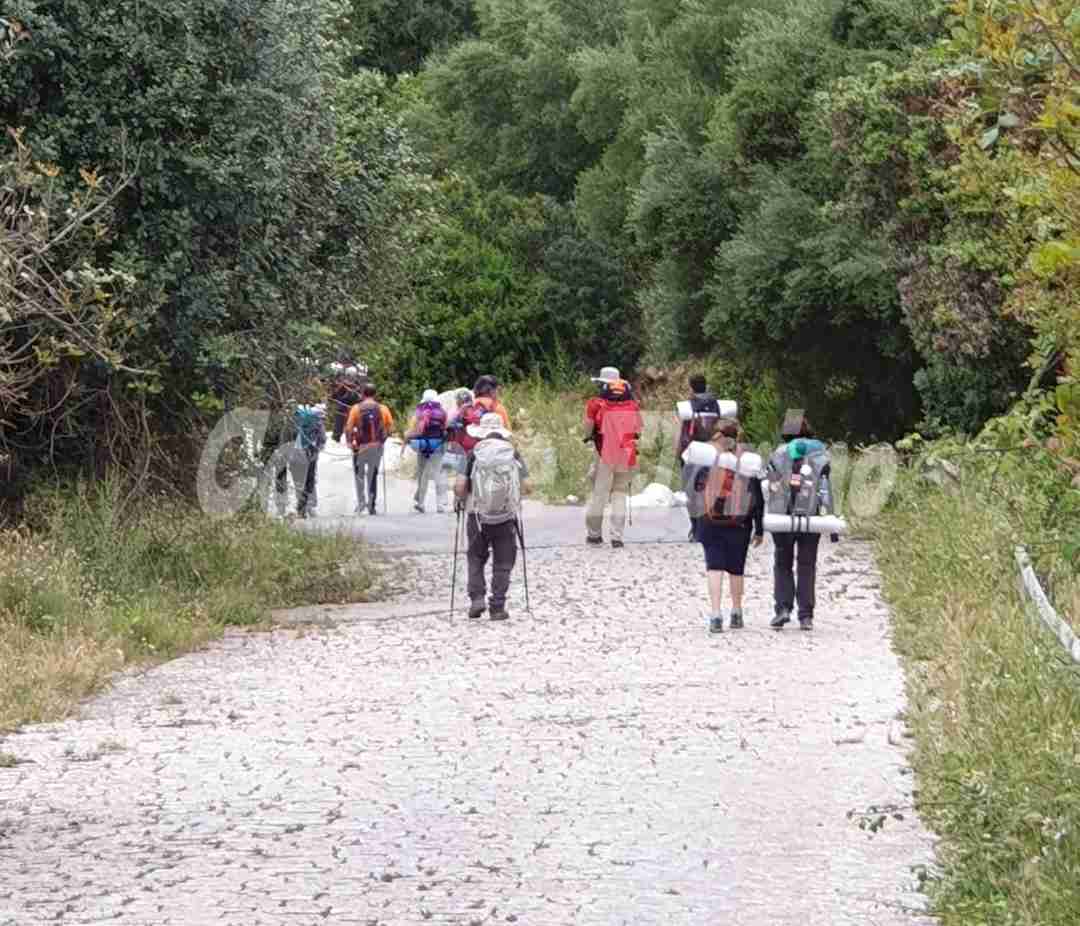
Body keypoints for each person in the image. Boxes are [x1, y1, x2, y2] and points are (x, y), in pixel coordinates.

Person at [453, 412, 531, 621]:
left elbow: (460, 487)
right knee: (504, 561)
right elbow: (528, 486)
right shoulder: (512, 454)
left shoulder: (472, 454)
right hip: (506, 516)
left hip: (477, 515)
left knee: (476, 556)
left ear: (481, 433)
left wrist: (460, 498)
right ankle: (497, 606)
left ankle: (477, 599)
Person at [691, 419, 764, 633]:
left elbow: (695, 490)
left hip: (710, 521)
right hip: (740, 524)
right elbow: (758, 497)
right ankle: (737, 612)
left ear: (717, 436)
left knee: (714, 568)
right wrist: (759, 528)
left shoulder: (706, 458)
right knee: (736, 569)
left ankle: (715, 614)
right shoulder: (747, 461)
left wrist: (695, 524)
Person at [766, 410, 835, 631]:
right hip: (811, 515)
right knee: (807, 565)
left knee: (782, 563)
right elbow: (825, 488)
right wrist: (830, 518)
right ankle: (806, 616)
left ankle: (783, 608)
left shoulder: (777, 454)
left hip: (782, 515)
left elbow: (772, 485)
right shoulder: (821, 454)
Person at [584, 366, 642, 549]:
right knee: (619, 494)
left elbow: (587, 428)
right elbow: (639, 429)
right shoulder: (633, 404)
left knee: (599, 495)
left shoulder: (595, 403)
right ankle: (617, 537)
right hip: (627, 454)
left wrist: (588, 436)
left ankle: (594, 535)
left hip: (604, 454)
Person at [678, 373, 723, 541]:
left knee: (692, 492)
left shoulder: (688, 406)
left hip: (693, 453)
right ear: (706, 385)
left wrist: (681, 455)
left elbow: (685, 434)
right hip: (713, 451)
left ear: (691, 387)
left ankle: (696, 529)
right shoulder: (716, 405)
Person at [345, 384, 395, 515]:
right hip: (376, 447)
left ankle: (361, 504)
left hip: (360, 447)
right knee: (372, 475)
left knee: (359, 475)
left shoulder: (356, 408)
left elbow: (349, 428)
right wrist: (382, 440)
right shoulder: (383, 409)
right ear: (375, 394)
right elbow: (390, 428)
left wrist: (349, 442)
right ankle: (372, 506)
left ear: (363, 394)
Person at [405, 388, 449, 513]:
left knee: (422, 474)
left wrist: (408, 438)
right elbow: (445, 428)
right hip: (438, 446)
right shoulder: (442, 412)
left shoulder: (419, 412)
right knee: (438, 475)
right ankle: (440, 505)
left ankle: (420, 503)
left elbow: (413, 429)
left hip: (422, 445)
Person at [291, 403, 327, 518]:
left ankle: (301, 507)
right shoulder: (318, 424)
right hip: (310, 455)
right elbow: (323, 439)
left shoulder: (295, 422)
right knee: (309, 481)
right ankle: (307, 507)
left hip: (295, 455)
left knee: (298, 482)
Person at [329, 365, 367, 443]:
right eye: (350, 375)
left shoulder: (357, 384)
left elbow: (361, 396)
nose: (351, 377)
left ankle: (358, 435)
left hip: (354, 405)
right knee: (339, 415)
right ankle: (336, 435)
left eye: (352, 376)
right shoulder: (343, 384)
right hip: (344, 405)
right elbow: (335, 395)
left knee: (356, 417)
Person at [444, 389, 477, 478]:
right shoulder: (477, 410)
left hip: (460, 449)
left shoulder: (455, 412)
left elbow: (446, 426)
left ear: (458, 401)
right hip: (476, 448)